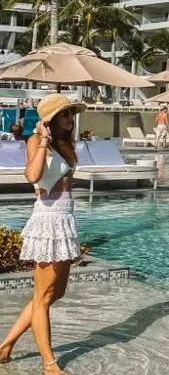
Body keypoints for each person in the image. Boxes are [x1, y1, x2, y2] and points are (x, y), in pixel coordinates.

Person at [0, 93, 86, 375]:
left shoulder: (67, 145)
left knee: (54, 293)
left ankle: (5, 347)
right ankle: (49, 364)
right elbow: (32, 176)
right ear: (50, 119)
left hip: (64, 218)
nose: (70, 120)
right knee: (43, 296)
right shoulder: (38, 142)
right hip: (47, 220)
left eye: (71, 114)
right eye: (64, 115)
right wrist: (44, 140)